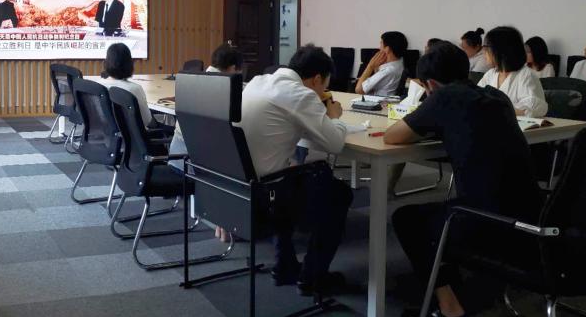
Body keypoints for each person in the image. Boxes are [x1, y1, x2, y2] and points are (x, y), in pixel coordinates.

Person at [385, 44, 543, 317]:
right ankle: (454, 282)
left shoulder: (443, 97)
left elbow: (392, 136)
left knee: (406, 218)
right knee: (447, 209)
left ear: (431, 85)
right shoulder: (496, 96)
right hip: (533, 216)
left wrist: (427, 114)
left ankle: (450, 310)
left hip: (486, 222)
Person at [239, 45, 356, 296]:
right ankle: (313, 277)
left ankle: (285, 264)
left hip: (238, 187)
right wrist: (333, 116)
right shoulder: (299, 94)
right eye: (324, 86)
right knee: (338, 193)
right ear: (316, 79)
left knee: (292, 173)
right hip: (266, 196)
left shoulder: (258, 82)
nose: (322, 92)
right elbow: (335, 143)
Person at [167, 44, 243, 243]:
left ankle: (223, 218)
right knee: (244, 164)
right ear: (232, 68)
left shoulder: (192, 80)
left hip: (176, 158)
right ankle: (229, 221)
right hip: (197, 166)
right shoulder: (224, 88)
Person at [476, 26, 548, 117]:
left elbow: (535, 109)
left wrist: (497, 110)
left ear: (501, 50)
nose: (483, 51)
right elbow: (476, 100)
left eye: (486, 47)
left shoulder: (526, 75)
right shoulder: (490, 74)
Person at [99, 43, 156, 128]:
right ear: (130, 64)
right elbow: (147, 121)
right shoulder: (134, 89)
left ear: (106, 62)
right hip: (132, 135)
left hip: (106, 133)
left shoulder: (98, 86)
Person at [355, 31, 407, 96]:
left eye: (381, 43)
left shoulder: (387, 71)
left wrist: (370, 66)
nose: (379, 48)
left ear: (387, 49)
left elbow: (358, 90)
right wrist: (376, 67)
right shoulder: (400, 61)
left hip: (376, 100)